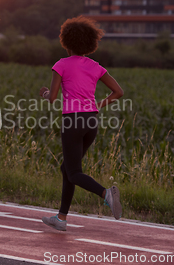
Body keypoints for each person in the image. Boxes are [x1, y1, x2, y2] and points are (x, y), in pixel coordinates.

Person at [39, 16, 124, 231]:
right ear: (89, 44)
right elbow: (119, 92)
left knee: (74, 171)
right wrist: (98, 105)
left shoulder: (61, 65)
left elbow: (53, 98)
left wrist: (46, 93)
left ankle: (106, 194)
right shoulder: (95, 66)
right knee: (67, 168)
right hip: (91, 122)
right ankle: (61, 218)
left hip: (72, 121)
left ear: (66, 42)